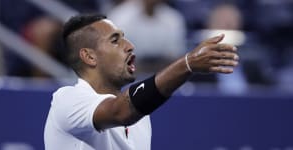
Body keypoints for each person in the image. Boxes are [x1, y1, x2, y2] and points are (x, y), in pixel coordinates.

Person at [44, 14, 239, 150]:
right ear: (89, 57)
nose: (130, 46)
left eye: (125, 38)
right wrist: (187, 64)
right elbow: (120, 111)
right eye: (115, 40)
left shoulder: (141, 117)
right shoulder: (66, 100)